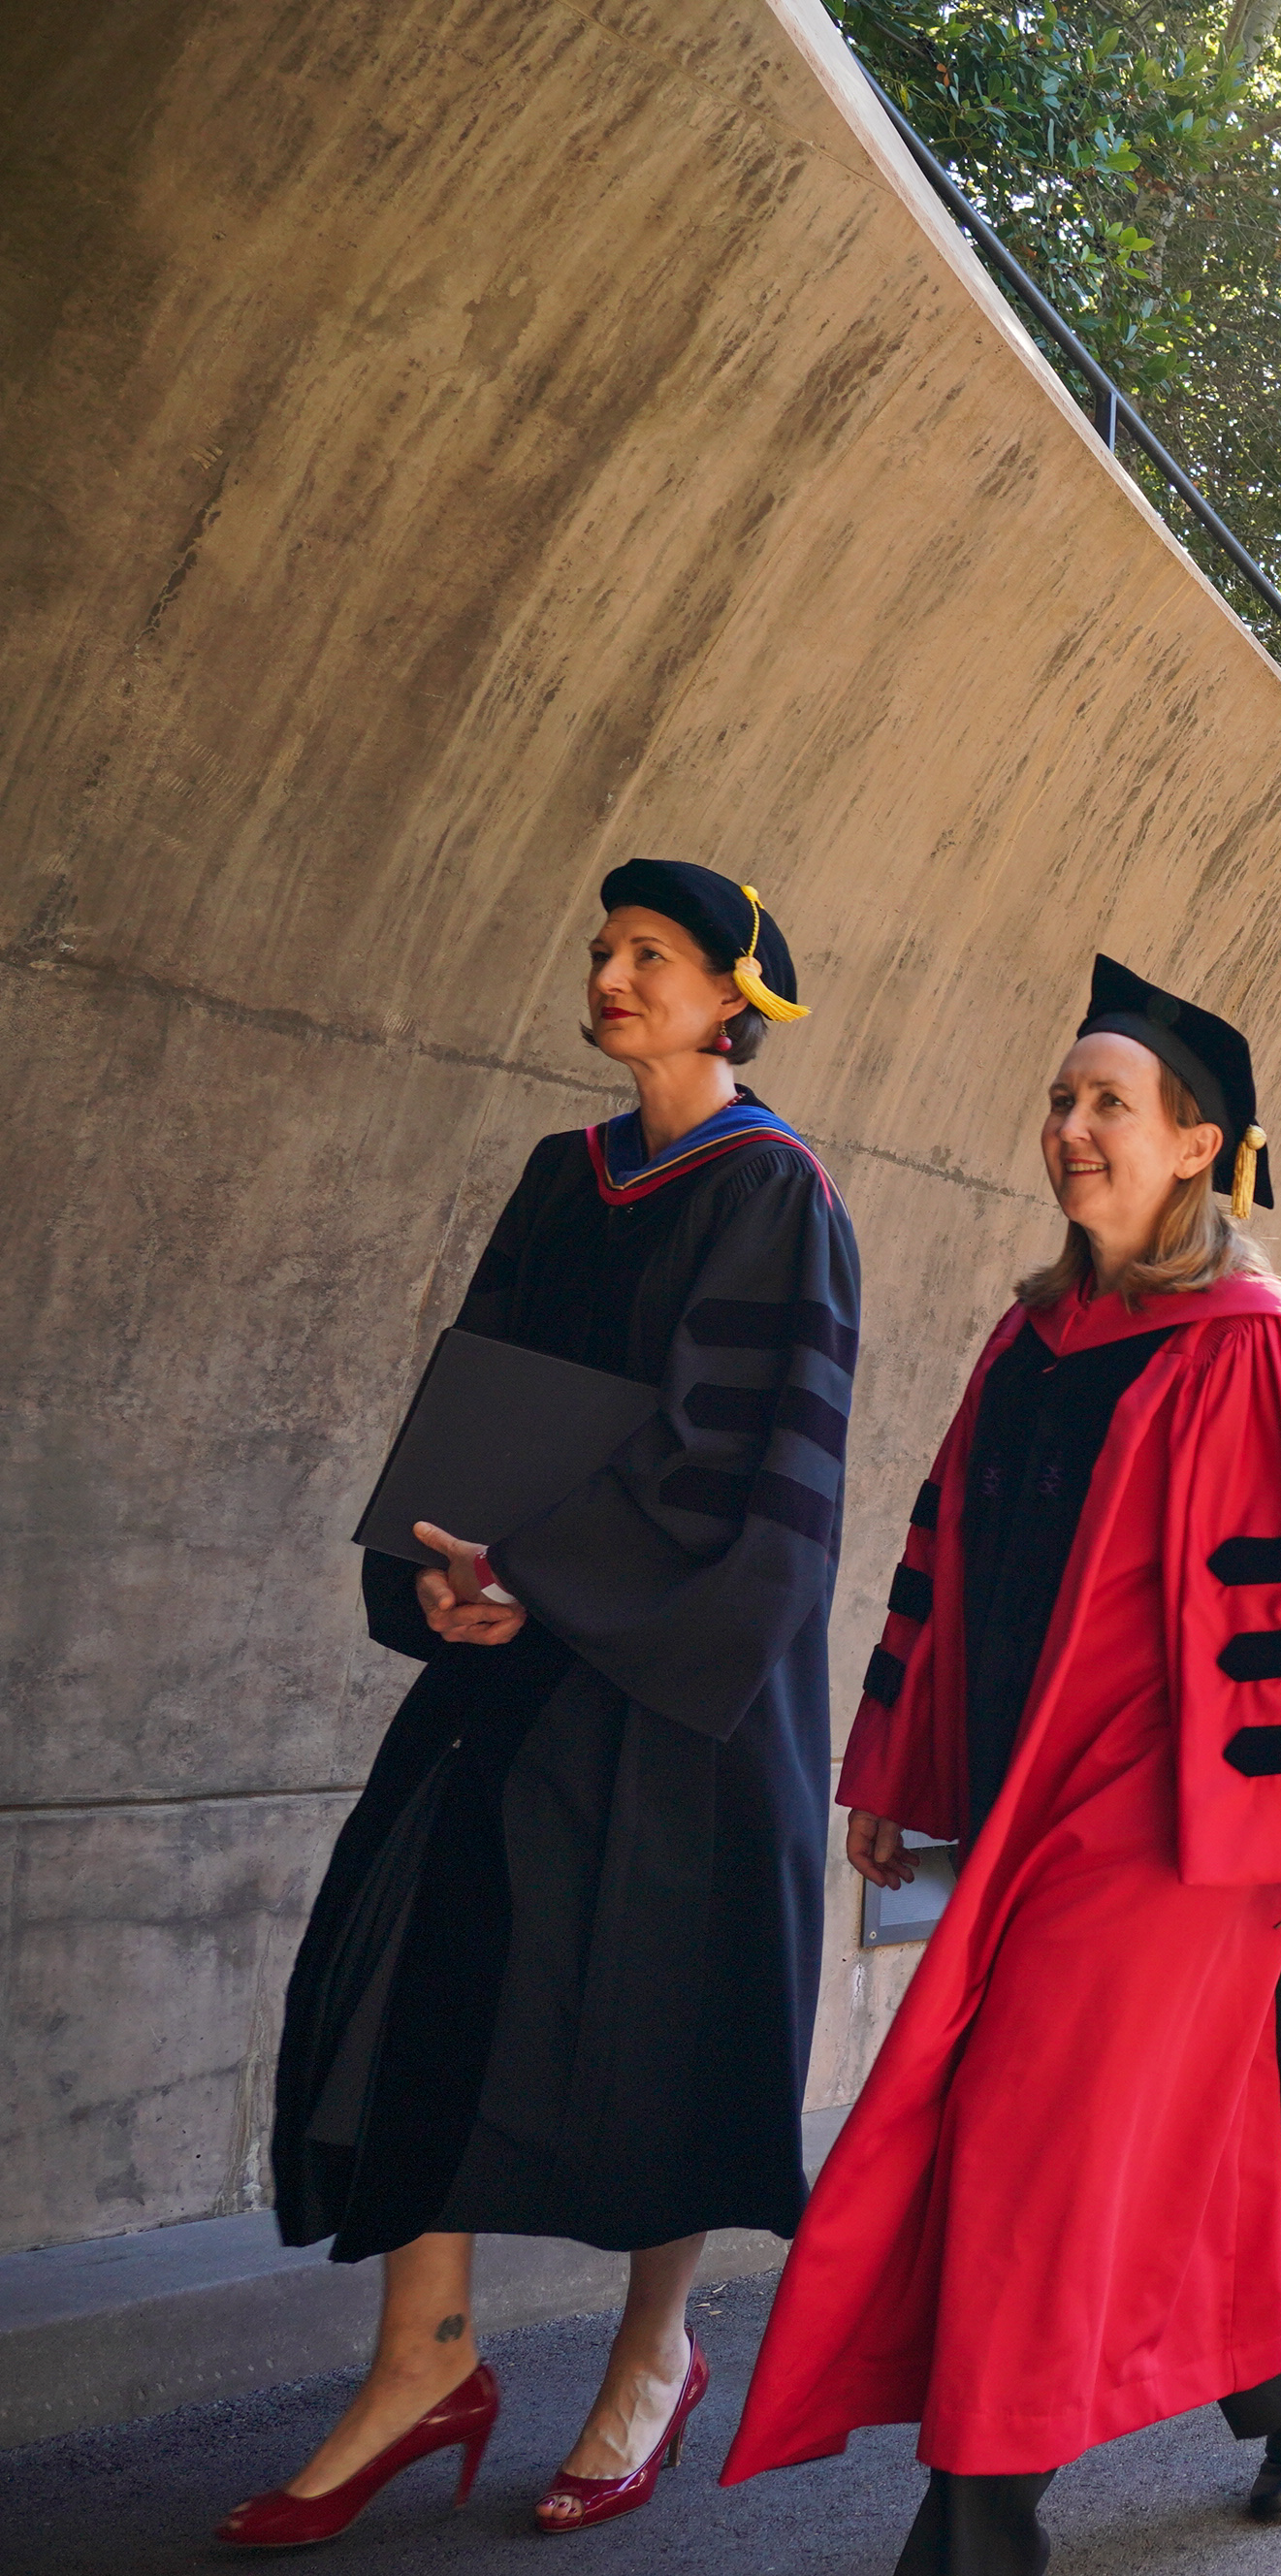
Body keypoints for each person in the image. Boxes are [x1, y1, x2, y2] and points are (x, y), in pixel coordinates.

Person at [723, 959, 1281, 2564]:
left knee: (1026, 2137)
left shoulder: (1250, 1346)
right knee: (1134, 2147)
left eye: (1108, 1103)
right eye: (1061, 1099)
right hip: (1017, 1805)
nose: (1070, 1126)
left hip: (1170, 1833)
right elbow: (951, 1566)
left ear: (1196, 1146)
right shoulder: (1035, 1337)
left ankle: (976, 2518)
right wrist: (898, 1768)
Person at [225, 864, 853, 2549]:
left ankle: (653, 2358)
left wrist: (545, 1573)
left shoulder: (774, 1193)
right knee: (429, 1966)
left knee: (679, 2015)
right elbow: (477, 1390)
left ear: (735, 998)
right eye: (602, 952)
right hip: (510, 1665)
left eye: (649, 955)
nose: (611, 973)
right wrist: (436, 1565)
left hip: (681, 1688)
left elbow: (741, 1461)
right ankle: (422, 2360)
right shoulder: (556, 1179)